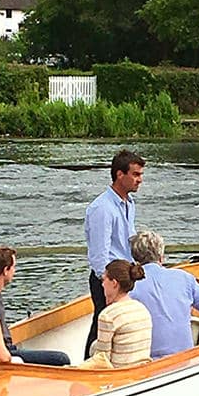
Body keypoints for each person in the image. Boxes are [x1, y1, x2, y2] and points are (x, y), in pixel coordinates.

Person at [84, 149, 146, 358]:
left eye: (140, 175)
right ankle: (89, 365)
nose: (140, 180)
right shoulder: (102, 208)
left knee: (118, 322)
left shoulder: (129, 203)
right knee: (101, 324)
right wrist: (108, 285)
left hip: (124, 275)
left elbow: (128, 240)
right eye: (136, 175)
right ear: (120, 174)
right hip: (109, 279)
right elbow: (99, 253)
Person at [128, 231, 199, 359]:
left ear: (135, 259)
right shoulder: (184, 278)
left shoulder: (130, 286)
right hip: (184, 357)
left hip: (148, 360)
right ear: (161, 256)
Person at [0, 246, 70, 366]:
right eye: (13, 267)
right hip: (2, 352)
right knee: (61, 359)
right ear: (5, 270)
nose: (15, 271)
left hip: (5, 349)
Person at [81, 259, 152, 369]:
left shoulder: (108, 316)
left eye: (104, 280)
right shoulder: (142, 309)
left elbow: (101, 361)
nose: (102, 285)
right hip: (141, 372)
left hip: (118, 376)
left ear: (114, 283)